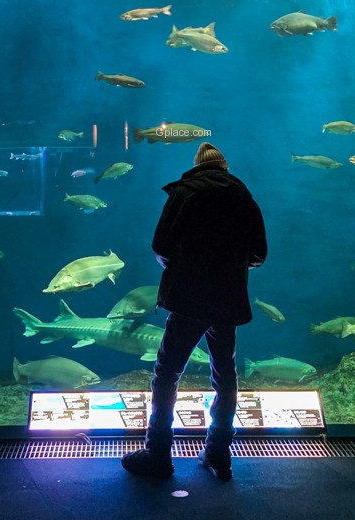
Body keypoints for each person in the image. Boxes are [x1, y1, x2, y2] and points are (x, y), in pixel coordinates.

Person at [121, 141, 267, 481]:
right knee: (224, 375)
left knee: (167, 372)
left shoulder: (184, 193)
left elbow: (161, 245)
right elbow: (259, 254)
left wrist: (185, 267)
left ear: (197, 166)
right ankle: (219, 455)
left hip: (189, 298)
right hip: (228, 300)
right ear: (224, 167)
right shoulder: (244, 197)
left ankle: (158, 454)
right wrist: (232, 265)